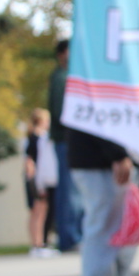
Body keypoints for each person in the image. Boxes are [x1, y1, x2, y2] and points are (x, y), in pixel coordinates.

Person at [68, 128, 139, 276]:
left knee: (122, 231)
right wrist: (117, 153)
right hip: (98, 159)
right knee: (102, 233)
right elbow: (98, 115)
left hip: (113, 157)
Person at [47, 39, 83, 251]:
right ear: (61, 54)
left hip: (68, 140)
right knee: (69, 191)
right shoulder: (61, 78)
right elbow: (61, 111)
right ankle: (70, 238)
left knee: (73, 189)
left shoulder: (69, 76)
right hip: (66, 140)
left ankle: (73, 235)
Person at [23, 108, 59, 258]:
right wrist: (35, 182)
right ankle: (36, 244)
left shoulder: (42, 137)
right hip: (36, 179)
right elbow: (29, 161)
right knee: (37, 211)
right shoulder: (35, 138)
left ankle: (42, 242)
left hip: (40, 178)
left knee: (43, 211)